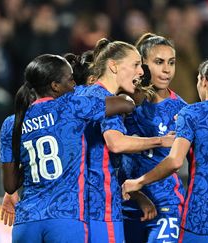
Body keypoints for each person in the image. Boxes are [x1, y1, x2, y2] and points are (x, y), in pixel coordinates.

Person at [122, 56, 208, 243]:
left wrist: (139, 181)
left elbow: (175, 162)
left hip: (202, 220)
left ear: (203, 80)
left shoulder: (193, 113)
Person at [0, 54, 135, 242]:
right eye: (70, 80)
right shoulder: (70, 107)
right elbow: (124, 104)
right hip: (66, 219)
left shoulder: (11, 123)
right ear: (55, 86)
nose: (75, 86)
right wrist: (126, 96)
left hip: (26, 221)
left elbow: (10, 185)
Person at [80, 38, 174, 243]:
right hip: (101, 205)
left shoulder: (82, 94)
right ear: (113, 66)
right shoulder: (110, 102)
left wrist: (138, 196)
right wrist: (160, 141)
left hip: (76, 206)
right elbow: (117, 143)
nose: (141, 72)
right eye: (135, 64)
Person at [118, 32, 187, 243]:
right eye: (159, 62)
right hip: (124, 204)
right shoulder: (122, 102)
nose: (167, 70)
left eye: (171, 62)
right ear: (143, 66)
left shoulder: (182, 110)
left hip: (165, 204)